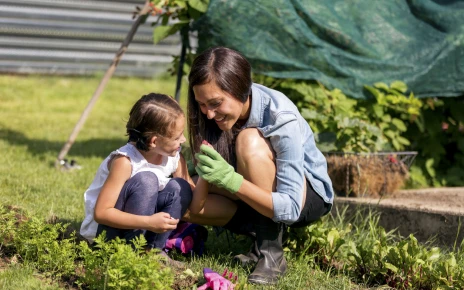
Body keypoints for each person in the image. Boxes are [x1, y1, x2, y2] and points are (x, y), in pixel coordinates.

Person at [184, 47, 334, 285]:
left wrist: (232, 181)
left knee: (248, 140)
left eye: (215, 103)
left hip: (306, 195)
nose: (209, 114)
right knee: (183, 193)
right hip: (257, 188)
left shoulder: (279, 116)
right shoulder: (210, 113)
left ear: (241, 90)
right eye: (202, 104)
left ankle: (270, 253)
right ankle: (255, 236)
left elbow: (292, 207)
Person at [80, 93, 209, 264]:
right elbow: (101, 213)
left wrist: (206, 174)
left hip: (143, 225)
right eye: (177, 137)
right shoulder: (125, 162)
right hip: (107, 236)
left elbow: (193, 204)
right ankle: (127, 255)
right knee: (146, 181)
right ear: (154, 141)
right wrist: (149, 222)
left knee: (180, 187)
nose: (183, 140)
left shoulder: (174, 157)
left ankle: (152, 252)